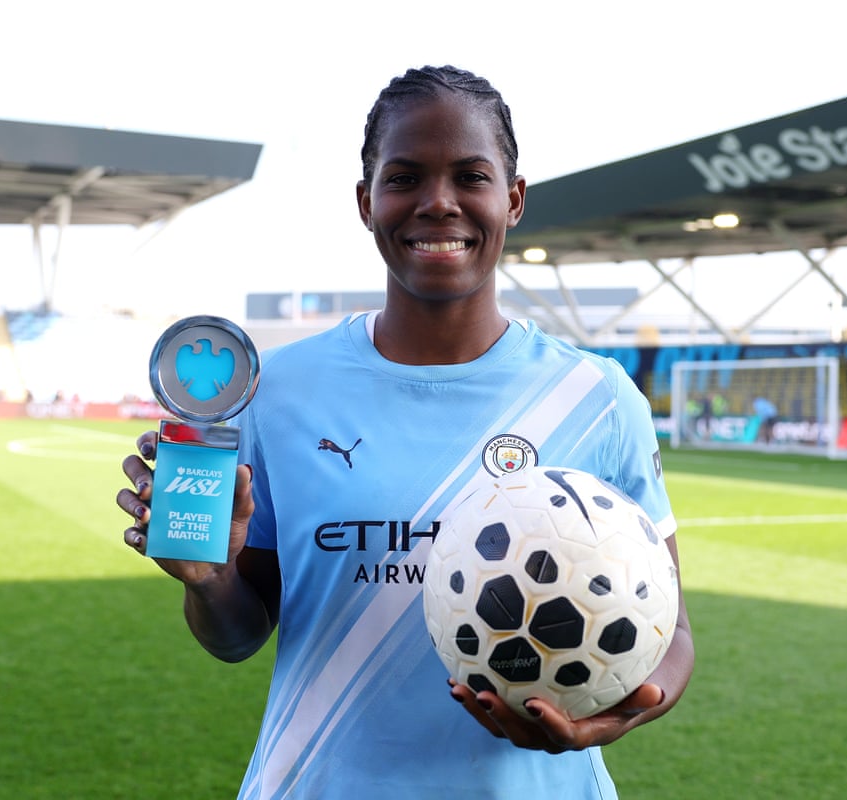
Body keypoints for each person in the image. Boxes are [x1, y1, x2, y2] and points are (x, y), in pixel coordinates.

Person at [116, 65, 694, 800]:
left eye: (471, 177)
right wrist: (208, 577)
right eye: (405, 177)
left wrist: (622, 711)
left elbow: (671, 633)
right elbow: (236, 636)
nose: (438, 202)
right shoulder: (277, 391)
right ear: (366, 202)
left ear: (512, 200)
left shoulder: (595, 397)